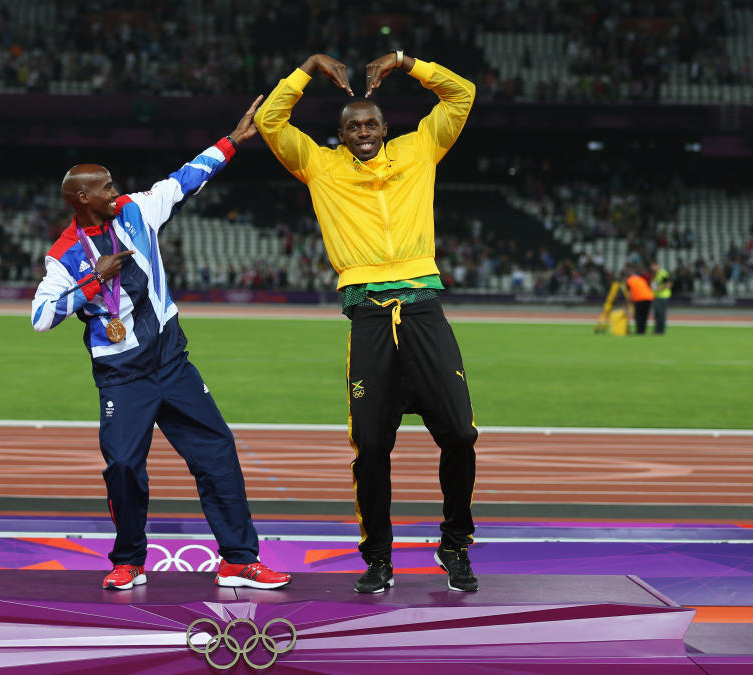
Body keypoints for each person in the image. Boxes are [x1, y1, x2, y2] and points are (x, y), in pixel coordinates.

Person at [31, 96, 290, 592]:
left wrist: (232, 141)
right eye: (105, 187)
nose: (115, 191)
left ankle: (239, 558)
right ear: (81, 198)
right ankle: (128, 559)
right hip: (122, 375)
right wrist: (90, 284)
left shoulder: (136, 211)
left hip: (171, 361)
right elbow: (41, 318)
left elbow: (186, 178)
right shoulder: (64, 255)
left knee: (217, 451)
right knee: (125, 465)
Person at [255, 51, 479, 593]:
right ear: (339, 134)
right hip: (369, 317)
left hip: (423, 307)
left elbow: (462, 94)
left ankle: (454, 546)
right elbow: (270, 121)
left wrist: (406, 63)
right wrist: (306, 68)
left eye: (371, 124)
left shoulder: (419, 149)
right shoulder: (319, 166)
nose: (363, 132)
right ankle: (378, 557)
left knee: (459, 435)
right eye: (353, 126)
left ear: (386, 127)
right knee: (372, 447)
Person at [625, 264, 654, 334]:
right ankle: (642, 330)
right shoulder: (640, 278)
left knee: (638, 315)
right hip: (649, 297)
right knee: (644, 315)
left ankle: (639, 331)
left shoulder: (629, 280)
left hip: (639, 298)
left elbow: (629, 293)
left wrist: (628, 303)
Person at [650, 261, 672, 334]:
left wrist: (659, 289)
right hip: (657, 296)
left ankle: (661, 331)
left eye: (653, 266)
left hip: (663, 297)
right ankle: (657, 330)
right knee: (657, 314)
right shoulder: (657, 274)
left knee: (661, 314)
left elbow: (669, 284)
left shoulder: (663, 273)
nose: (652, 268)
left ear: (657, 266)